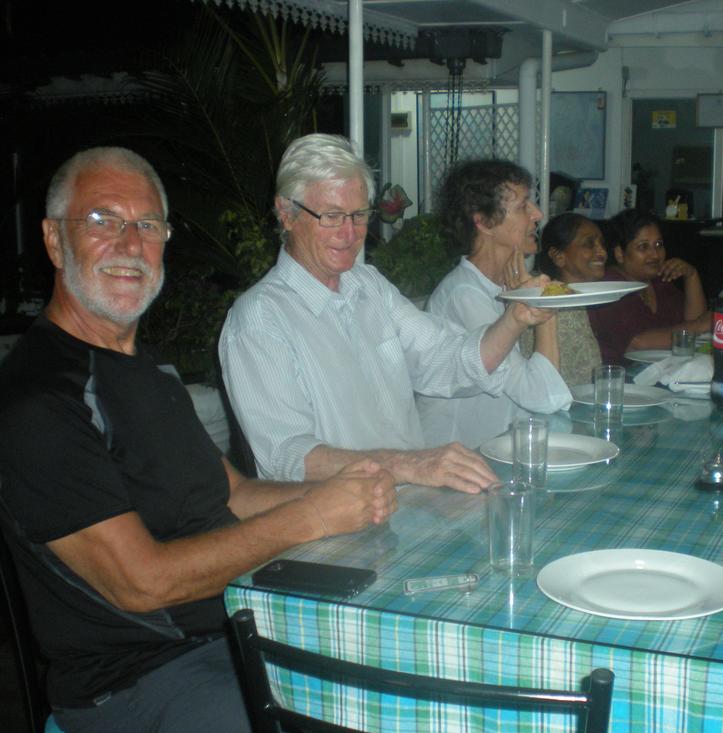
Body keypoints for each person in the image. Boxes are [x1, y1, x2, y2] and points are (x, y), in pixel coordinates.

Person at [0, 146, 397, 733]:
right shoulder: (40, 401)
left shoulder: (150, 374)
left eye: (148, 224)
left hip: (236, 630)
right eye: (103, 221)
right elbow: (143, 582)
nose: (130, 243)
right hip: (136, 679)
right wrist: (312, 518)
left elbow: (233, 495)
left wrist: (356, 484)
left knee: (401, 702)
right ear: (53, 240)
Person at [220, 134, 554, 491]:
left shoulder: (368, 286)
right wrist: (408, 465)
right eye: (332, 216)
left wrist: (515, 318)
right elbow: (286, 456)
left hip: (411, 505)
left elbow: (445, 359)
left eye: (360, 215)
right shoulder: (259, 319)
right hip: (334, 529)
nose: (350, 234)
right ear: (287, 214)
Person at [417, 160, 571, 448]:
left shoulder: (502, 286)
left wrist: (537, 300)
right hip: (455, 469)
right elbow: (544, 398)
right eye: (524, 206)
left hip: (498, 453)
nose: (538, 214)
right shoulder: (464, 296)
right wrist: (545, 310)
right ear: (485, 222)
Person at [587, 208, 710, 365]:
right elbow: (638, 344)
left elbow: (692, 324)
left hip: (662, 374)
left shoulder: (658, 280)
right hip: (622, 378)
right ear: (619, 253)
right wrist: (701, 325)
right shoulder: (609, 286)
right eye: (643, 247)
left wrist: (691, 276)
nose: (655, 255)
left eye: (659, 244)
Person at [527, 212, 604, 386]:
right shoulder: (550, 302)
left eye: (601, 243)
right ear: (558, 256)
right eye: (589, 244)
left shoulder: (583, 297)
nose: (602, 252)